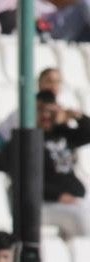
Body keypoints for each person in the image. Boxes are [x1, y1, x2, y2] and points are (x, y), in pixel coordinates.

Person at [38, 89, 90, 239]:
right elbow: (27, 179)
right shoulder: (30, 140)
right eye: (42, 111)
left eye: (50, 112)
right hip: (49, 201)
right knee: (82, 217)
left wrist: (75, 115)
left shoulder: (63, 133)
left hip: (74, 197)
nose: (46, 116)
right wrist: (58, 195)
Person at [0, 68, 74, 141]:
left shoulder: (60, 111)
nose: (54, 86)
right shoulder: (28, 107)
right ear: (39, 83)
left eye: (57, 82)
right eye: (49, 81)